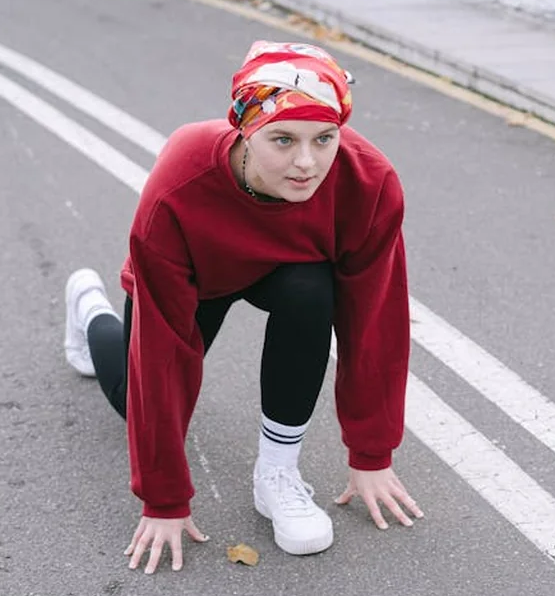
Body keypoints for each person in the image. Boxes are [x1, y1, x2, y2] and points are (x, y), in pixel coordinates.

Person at [60, 40, 422, 575]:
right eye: (283, 139)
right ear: (245, 131)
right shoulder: (179, 186)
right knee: (133, 400)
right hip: (199, 277)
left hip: (289, 270)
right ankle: (90, 308)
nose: (307, 162)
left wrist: (371, 454)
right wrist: (164, 499)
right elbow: (161, 351)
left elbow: (374, 323)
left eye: (324, 139)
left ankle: (277, 475)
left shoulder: (368, 183)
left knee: (310, 289)